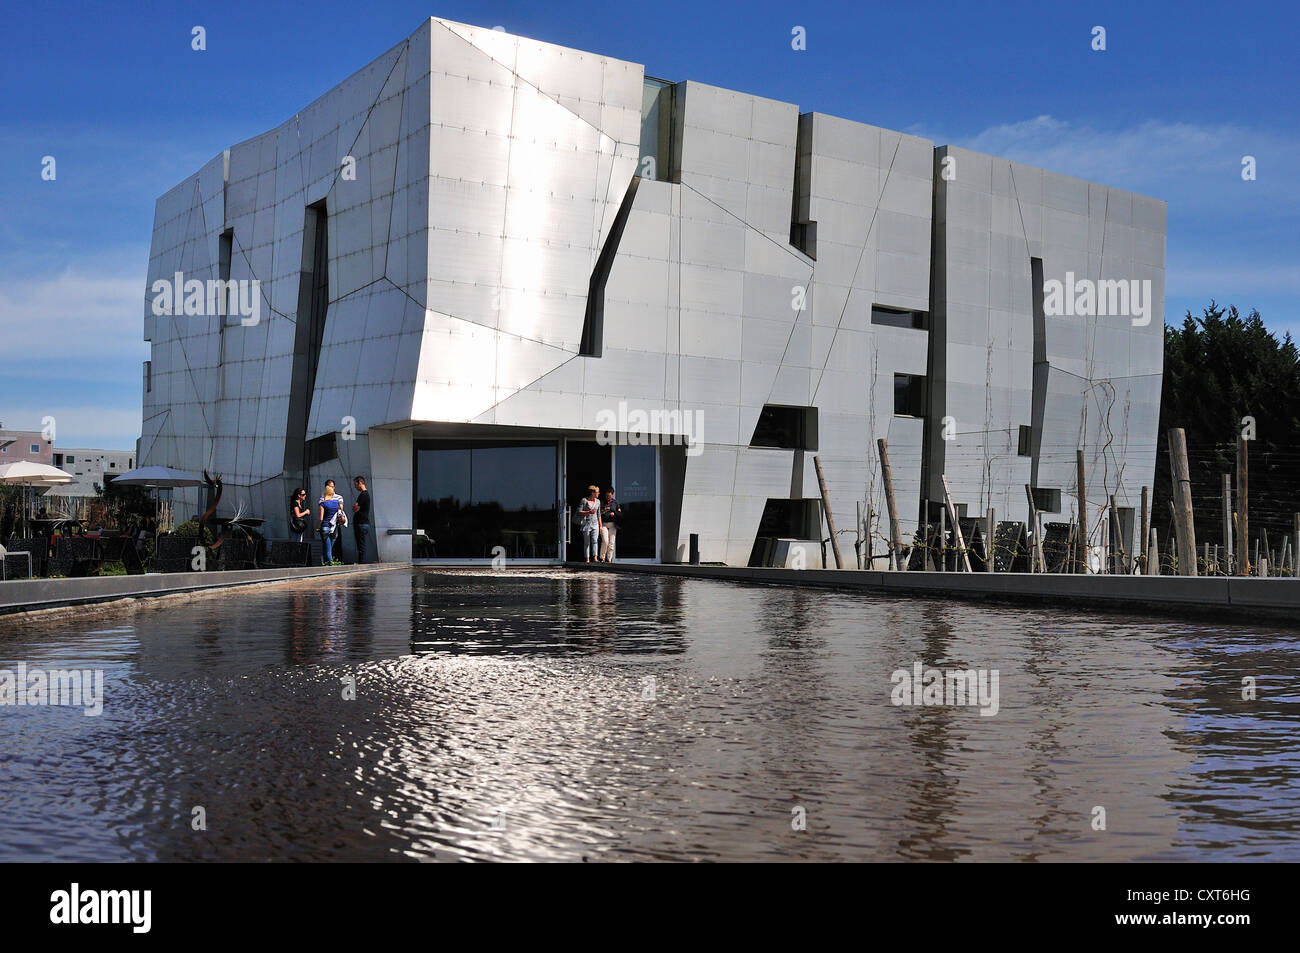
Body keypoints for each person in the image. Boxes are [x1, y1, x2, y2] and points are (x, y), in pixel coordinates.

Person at [317, 480, 348, 565]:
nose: (331, 488)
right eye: (330, 486)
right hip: (331, 525)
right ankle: (329, 561)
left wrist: (317, 526)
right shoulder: (325, 499)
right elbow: (340, 508)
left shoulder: (326, 499)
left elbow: (321, 516)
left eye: (332, 486)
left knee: (329, 545)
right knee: (328, 545)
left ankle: (328, 562)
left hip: (333, 525)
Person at [578, 484, 602, 563]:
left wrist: (600, 526)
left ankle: (595, 557)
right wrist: (588, 512)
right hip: (586, 524)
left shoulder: (598, 501)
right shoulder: (584, 500)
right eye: (597, 492)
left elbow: (599, 515)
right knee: (587, 542)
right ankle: (587, 558)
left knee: (595, 540)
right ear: (592, 493)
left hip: (595, 524)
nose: (598, 493)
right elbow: (579, 512)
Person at [352, 476, 372, 564]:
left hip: (361, 523)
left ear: (360, 483)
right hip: (362, 523)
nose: (355, 486)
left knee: (361, 545)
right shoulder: (364, 494)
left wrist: (355, 507)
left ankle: (361, 564)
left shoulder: (363, 495)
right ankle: (361, 563)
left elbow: (355, 508)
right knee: (361, 545)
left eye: (355, 484)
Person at [599, 487, 623, 563]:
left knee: (611, 542)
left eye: (609, 496)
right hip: (604, 524)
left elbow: (620, 513)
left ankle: (609, 559)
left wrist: (614, 513)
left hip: (613, 524)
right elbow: (598, 513)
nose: (608, 497)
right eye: (606, 496)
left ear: (612, 495)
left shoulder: (615, 502)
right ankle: (602, 558)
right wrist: (604, 510)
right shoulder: (602, 502)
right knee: (605, 541)